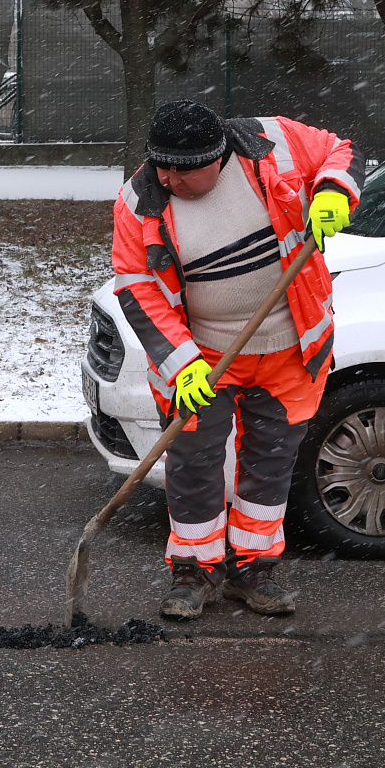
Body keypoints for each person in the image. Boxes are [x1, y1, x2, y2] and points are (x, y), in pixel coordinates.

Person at [111, 100, 362, 621]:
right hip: (203, 356)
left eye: (182, 171)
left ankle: (253, 569)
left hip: (290, 347)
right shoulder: (140, 199)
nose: (167, 179)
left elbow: (340, 151)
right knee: (193, 463)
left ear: (217, 157)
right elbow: (137, 286)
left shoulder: (274, 144)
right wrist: (182, 362)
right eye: (160, 166)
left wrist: (334, 191)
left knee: (270, 463)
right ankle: (194, 571)